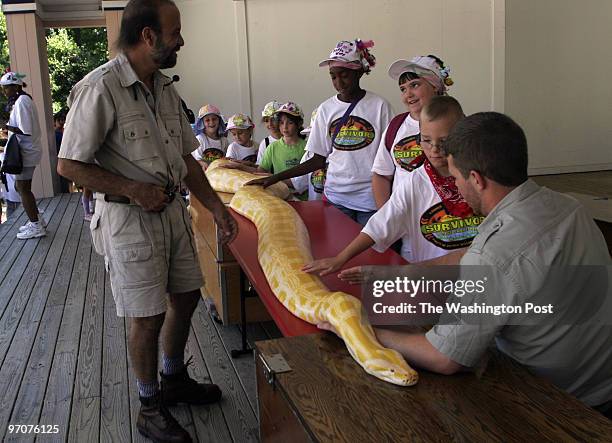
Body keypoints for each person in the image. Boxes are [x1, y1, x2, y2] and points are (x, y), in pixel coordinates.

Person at [324, 112, 612, 417]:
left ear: (476, 178)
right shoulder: (567, 206)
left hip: (560, 402)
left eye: (456, 178)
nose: (456, 186)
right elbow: (476, 257)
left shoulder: (494, 253)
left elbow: (445, 358)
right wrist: (401, 273)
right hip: (602, 378)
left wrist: (357, 330)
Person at [56, 0, 238, 441]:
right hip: (127, 219)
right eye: (175, 31)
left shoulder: (164, 87)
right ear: (149, 36)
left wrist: (215, 205)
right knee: (146, 316)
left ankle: (173, 378)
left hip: (172, 213)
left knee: (188, 296)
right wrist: (135, 189)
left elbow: (186, 158)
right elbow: (68, 166)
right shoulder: (99, 88)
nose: (182, 40)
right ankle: (148, 404)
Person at [304, 96, 479, 275]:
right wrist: (340, 258)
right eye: (426, 140)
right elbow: (380, 224)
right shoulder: (415, 182)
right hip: (428, 279)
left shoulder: (479, 178)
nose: (434, 149)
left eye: (443, 141)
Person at [248, 39, 394, 226]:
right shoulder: (326, 109)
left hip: (370, 199)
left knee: (372, 254)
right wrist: (274, 178)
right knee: (339, 249)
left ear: (359, 72)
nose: (338, 82)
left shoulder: (380, 106)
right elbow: (317, 159)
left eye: (344, 75)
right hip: (336, 199)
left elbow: (390, 157)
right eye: (333, 76)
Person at [371, 55, 454, 208]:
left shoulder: (457, 123)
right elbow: (381, 175)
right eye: (403, 89)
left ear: (435, 85)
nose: (407, 94)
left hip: (448, 223)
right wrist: (386, 217)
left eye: (414, 85)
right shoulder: (395, 126)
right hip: (404, 220)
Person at [0, 72, 46, 239]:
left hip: (26, 153)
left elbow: (25, 130)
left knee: (23, 189)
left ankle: (36, 225)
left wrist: (5, 125)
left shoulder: (22, 102)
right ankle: (37, 219)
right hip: (26, 151)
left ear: (15, 86)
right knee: (21, 188)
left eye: (6, 88)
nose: (4, 92)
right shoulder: (21, 100)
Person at [291, 107, 327, 201]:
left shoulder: (340, 155)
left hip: (338, 208)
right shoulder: (309, 154)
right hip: (315, 208)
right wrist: (273, 179)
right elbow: (298, 182)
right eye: (312, 135)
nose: (313, 138)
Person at [191, 104, 228, 170]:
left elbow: (227, 159)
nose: (211, 122)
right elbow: (195, 161)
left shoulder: (224, 141)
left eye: (214, 119)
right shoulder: (199, 139)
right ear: (202, 123)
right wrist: (203, 164)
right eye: (207, 120)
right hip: (205, 174)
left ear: (219, 121)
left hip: (221, 174)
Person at [256, 100, 282, 164]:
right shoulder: (265, 143)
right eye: (266, 120)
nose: (270, 124)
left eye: (273, 120)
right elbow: (260, 166)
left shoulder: (291, 140)